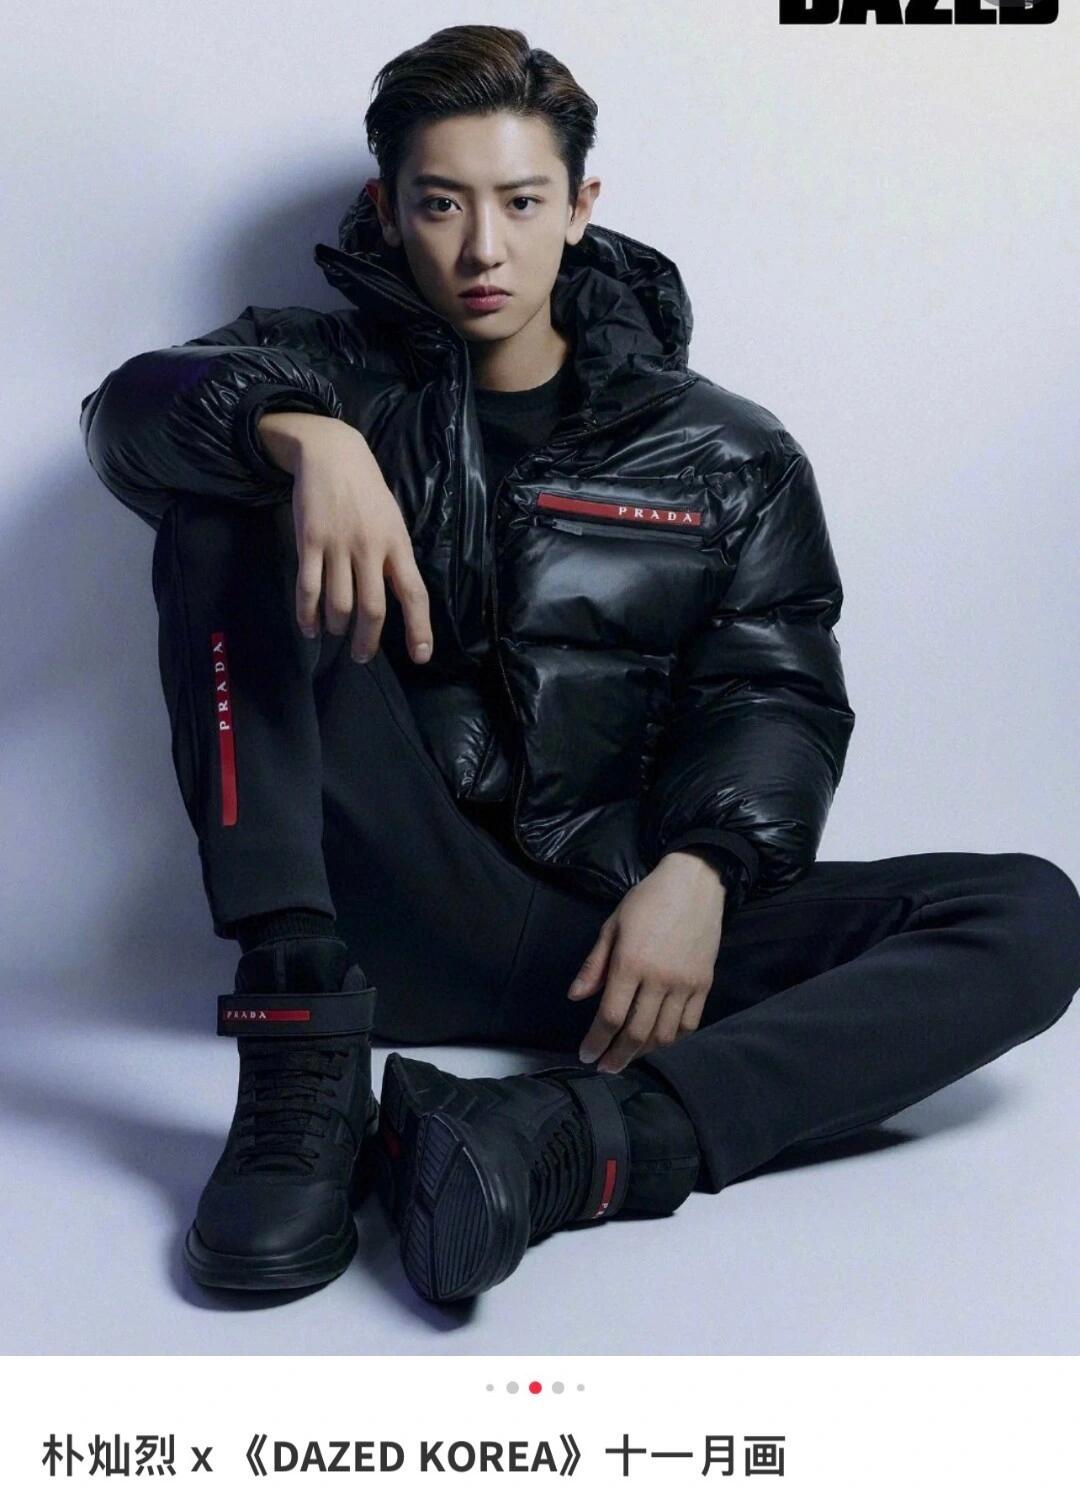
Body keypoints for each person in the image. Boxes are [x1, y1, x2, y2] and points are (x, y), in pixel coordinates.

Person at [79, 24, 1080, 1306]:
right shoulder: (320, 371)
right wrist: (306, 438)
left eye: (520, 202)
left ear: (581, 206)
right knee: (224, 503)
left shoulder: (727, 452)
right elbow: (132, 415)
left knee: (1028, 913)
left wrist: (704, 870)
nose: (482, 250)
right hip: (381, 903)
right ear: (388, 211)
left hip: (616, 938)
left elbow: (772, 689)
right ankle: (301, 1064)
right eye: (441, 204)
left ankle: (558, 1142)